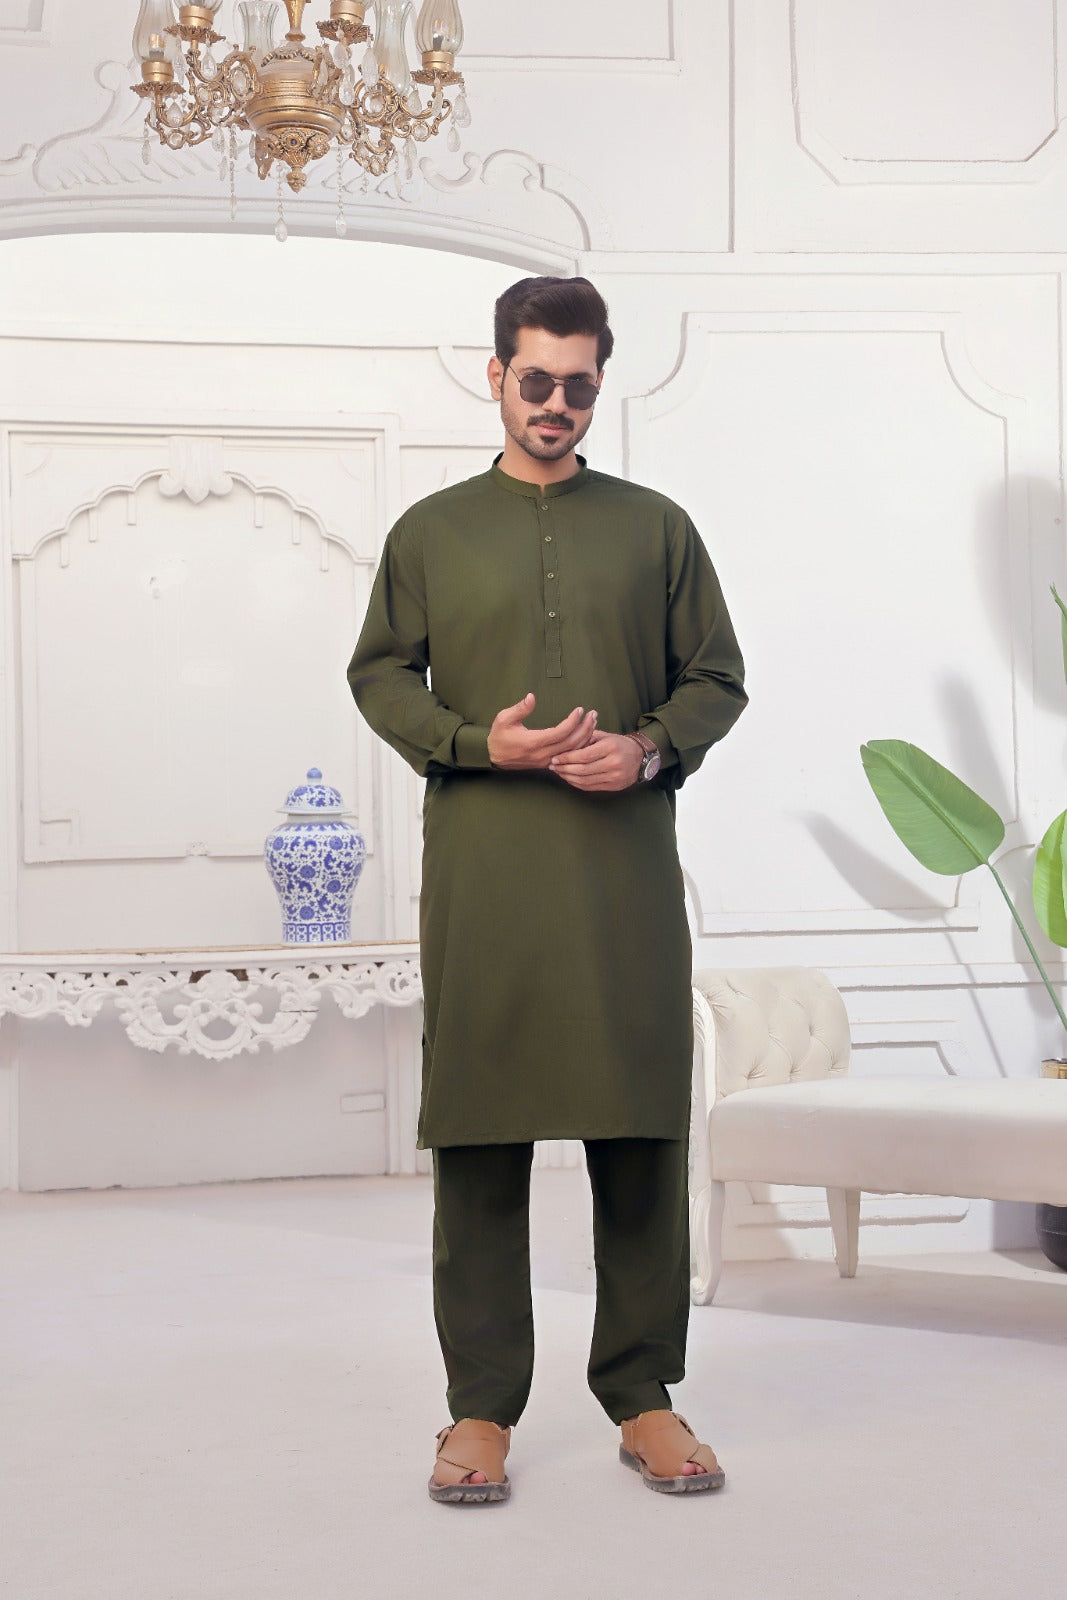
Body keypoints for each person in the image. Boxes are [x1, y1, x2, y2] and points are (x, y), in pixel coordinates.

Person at [347, 276, 747, 1504]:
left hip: (621, 877)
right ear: (495, 377)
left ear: (597, 384)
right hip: (486, 874)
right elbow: (379, 675)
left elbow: (715, 679)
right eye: (535, 379)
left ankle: (642, 1393)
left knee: (639, 1130)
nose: (556, 402)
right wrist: (479, 742)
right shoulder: (430, 531)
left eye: (578, 383)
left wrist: (646, 749)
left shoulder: (655, 527)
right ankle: (479, 1408)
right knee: (480, 1132)